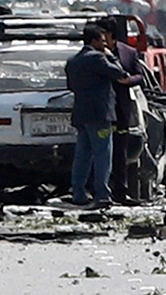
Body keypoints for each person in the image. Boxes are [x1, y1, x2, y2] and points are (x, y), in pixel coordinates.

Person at [64, 23, 129, 209]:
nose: (105, 44)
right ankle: (102, 194)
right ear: (94, 41)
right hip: (100, 115)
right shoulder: (98, 58)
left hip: (81, 115)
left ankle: (78, 192)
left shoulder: (73, 61)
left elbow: (71, 86)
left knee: (83, 154)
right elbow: (120, 73)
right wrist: (111, 56)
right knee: (102, 154)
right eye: (102, 40)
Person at [96, 18, 144, 206]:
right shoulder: (94, 53)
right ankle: (99, 190)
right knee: (100, 151)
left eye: (105, 35)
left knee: (120, 152)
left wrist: (128, 80)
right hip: (100, 111)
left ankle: (120, 192)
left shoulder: (128, 52)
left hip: (121, 110)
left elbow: (139, 75)